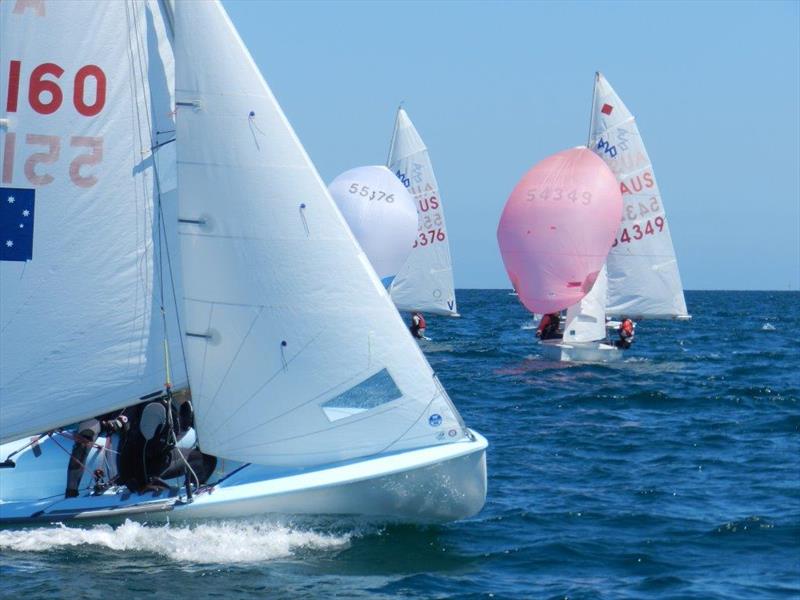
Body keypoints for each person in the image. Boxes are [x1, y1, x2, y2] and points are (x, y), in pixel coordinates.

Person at [65, 414, 128, 498]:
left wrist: (120, 421)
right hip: (96, 416)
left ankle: (130, 480)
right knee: (83, 441)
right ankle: (71, 492)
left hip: (125, 413)